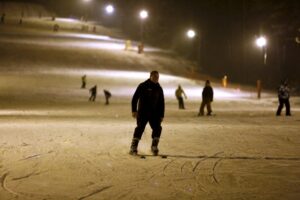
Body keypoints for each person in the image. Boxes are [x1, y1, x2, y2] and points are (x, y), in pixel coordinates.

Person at [129, 71, 165, 156]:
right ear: (151, 76)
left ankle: (154, 146)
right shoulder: (143, 86)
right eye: (155, 77)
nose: (157, 79)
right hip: (143, 112)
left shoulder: (159, 88)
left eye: (158, 77)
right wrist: (134, 110)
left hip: (155, 114)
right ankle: (133, 147)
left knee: (158, 128)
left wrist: (161, 115)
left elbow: (161, 103)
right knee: (140, 128)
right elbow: (135, 98)